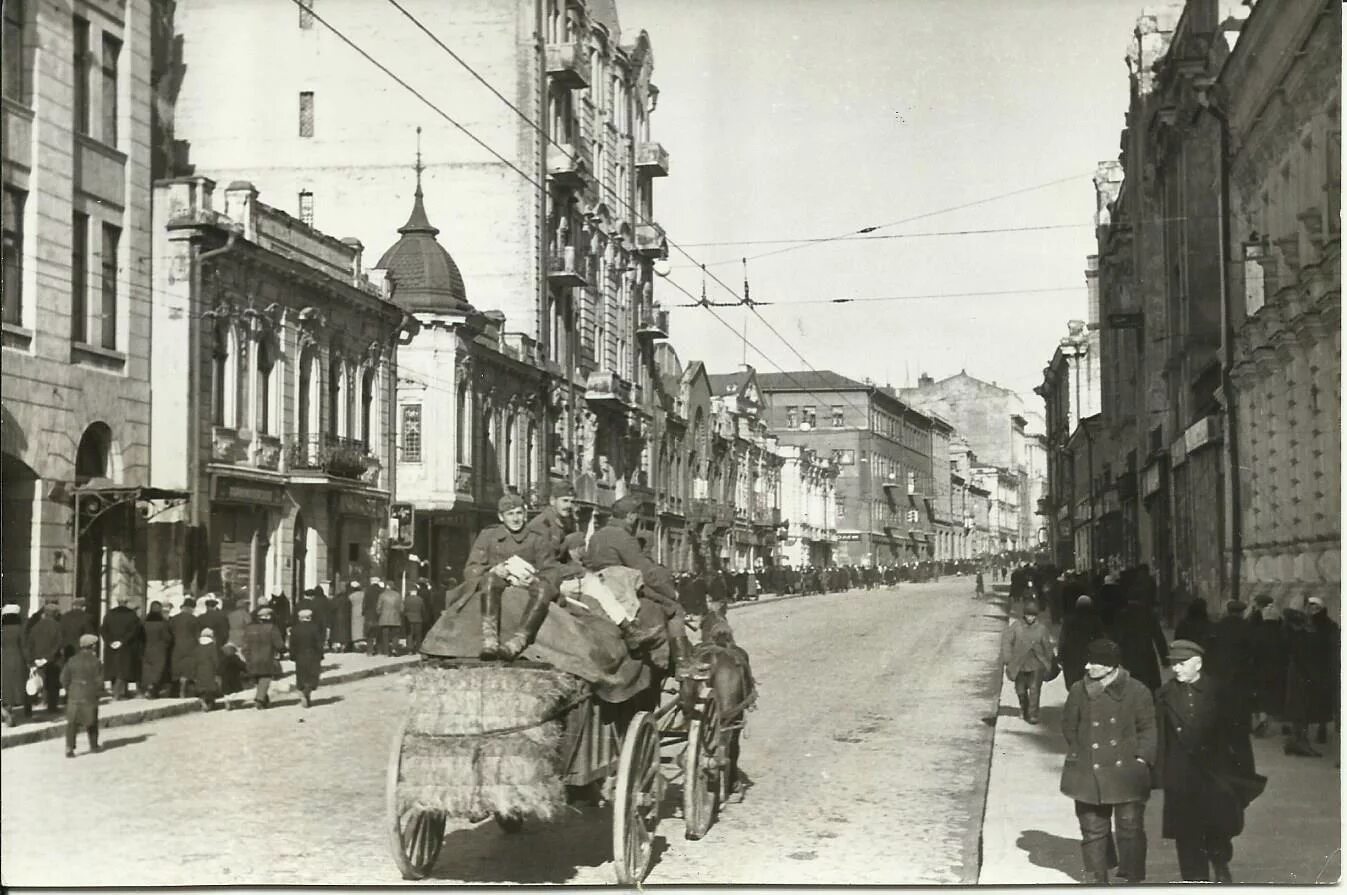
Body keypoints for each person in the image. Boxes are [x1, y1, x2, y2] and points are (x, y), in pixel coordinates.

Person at [1154, 640, 1264, 883]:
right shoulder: (1164, 696)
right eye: (1173, 664)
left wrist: (1244, 775)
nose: (1176, 669)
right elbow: (1161, 738)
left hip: (1216, 774)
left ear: (1198, 664)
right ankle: (1195, 883)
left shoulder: (1222, 693)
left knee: (1219, 827)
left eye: (1181, 664)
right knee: (1186, 835)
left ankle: (1220, 862)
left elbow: (1238, 738)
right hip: (1181, 776)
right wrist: (1159, 775)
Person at [1060, 638, 1156, 885]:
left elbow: (1148, 729)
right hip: (1088, 770)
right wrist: (1081, 752)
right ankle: (1098, 880)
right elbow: (1069, 726)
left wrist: (1142, 758)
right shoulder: (1078, 690)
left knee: (1130, 828)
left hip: (1127, 772)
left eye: (1095, 663)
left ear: (1111, 666)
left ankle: (1133, 879)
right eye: (1088, 660)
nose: (1088, 667)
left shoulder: (1137, 691)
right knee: (1092, 827)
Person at [586, 495, 692, 674]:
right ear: (630, 516)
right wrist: (671, 593)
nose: (636, 521)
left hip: (597, 587)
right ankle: (683, 664)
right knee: (674, 609)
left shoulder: (596, 536)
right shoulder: (623, 537)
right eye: (636, 517)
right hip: (621, 586)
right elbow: (646, 573)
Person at [463, 494, 562, 660]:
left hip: (527, 584)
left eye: (518, 513)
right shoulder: (488, 536)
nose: (515, 519)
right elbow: (471, 568)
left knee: (543, 589)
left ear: (524, 514)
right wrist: (493, 569)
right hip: (497, 583)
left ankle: (519, 640)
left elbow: (551, 570)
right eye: (510, 514)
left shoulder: (536, 538)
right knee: (488, 580)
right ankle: (490, 639)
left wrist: (535, 579)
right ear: (501, 517)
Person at [1000, 601, 1055, 724]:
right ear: (1024, 615)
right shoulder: (1016, 626)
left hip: (1036, 663)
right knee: (1020, 690)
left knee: (1034, 689)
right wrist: (1008, 658)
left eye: (1033, 615)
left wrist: (1049, 660)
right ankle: (1024, 709)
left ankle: (1033, 714)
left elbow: (1047, 646)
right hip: (1019, 663)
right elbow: (1006, 642)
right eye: (1028, 615)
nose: (1030, 618)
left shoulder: (1041, 629)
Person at [1110, 597, 1168, 692]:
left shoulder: (1122, 614)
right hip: (1146, 654)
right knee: (1149, 685)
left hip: (1127, 654)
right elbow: (1158, 637)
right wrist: (1164, 659)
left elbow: (1116, 637)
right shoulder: (1148, 614)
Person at [60, 633, 103, 757]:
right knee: (92, 720)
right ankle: (94, 745)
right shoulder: (96, 661)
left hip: (74, 694)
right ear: (92, 646)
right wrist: (97, 692)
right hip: (89, 693)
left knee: (72, 723)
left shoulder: (72, 660)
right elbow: (99, 681)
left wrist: (69, 689)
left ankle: (69, 748)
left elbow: (63, 678)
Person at [1305, 595, 1339, 744]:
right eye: (1311, 607)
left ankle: (1322, 728)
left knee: (1322, 699)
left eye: (1315, 607)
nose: (1313, 610)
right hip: (1313, 666)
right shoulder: (1309, 623)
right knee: (1311, 699)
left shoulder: (1328, 625)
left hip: (1323, 666)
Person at [1058, 595, 1106, 690]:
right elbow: (1100, 638)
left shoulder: (1069, 619)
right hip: (1089, 654)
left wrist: (1060, 656)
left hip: (1071, 654)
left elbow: (1063, 638)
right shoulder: (1095, 620)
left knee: (1072, 680)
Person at [100, 596, 143, 699]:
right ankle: (119, 693)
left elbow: (103, 629)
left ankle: (119, 692)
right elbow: (134, 631)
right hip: (127, 646)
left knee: (113, 668)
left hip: (111, 647)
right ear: (126, 602)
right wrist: (122, 641)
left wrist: (110, 641)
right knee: (124, 669)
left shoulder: (109, 614)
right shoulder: (132, 615)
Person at [26, 601, 65, 712]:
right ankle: (52, 706)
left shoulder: (36, 626)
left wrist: (33, 659)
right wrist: (48, 658)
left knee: (40, 681)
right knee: (53, 683)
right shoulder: (57, 626)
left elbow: (30, 644)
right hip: (53, 660)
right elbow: (59, 644)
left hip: (38, 659)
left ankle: (40, 701)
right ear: (55, 614)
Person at [525, 480, 578, 561]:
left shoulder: (564, 521)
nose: (569, 505)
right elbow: (545, 562)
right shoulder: (541, 524)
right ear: (552, 501)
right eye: (565, 501)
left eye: (572, 502)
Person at [243, 606, 284, 709]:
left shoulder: (249, 628)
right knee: (265, 677)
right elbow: (279, 644)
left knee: (257, 678)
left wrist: (246, 656)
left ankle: (263, 697)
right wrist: (282, 650)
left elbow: (244, 644)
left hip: (251, 658)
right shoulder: (272, 628)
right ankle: (260, 699)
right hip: (266, 657)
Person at [289, 607, 325, 707]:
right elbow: (319, 643)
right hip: (313, 655)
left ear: (300, 618)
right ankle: (307, 692)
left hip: (300, 656)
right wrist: (321, 654)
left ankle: (304, 692)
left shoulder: (295, 629)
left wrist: (292, 655)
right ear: (310, 617)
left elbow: (292, 644)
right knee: (313, 676)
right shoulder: (315, 627)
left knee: (302, 675)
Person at [1, 603, 29, 726]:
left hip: (2, 658)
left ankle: (5, 712)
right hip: (16, 660)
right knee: (11, 688)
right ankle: (8, 711)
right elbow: (24, 647)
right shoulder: (20, 629)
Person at [139, 603, 172, 699]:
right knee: (157, 670)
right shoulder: (163, 623)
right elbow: (167, 638)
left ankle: (147, 687)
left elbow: (140, 637)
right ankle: (152, 689)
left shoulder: (144, 622)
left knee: (147, 670)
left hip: (147, 649)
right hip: (159, 650)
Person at [169, 597, 201, 697]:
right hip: (191, 647)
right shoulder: (194, 619)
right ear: (192, 608)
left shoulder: (174, 619)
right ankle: (185, 691)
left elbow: (169, 634)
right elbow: (198, 635)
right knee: (188, 669)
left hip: (177, 647)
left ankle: (178, 691)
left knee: (178, 669)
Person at [190, 628, 223, 711]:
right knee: (210, 687)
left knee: (201, 688)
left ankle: (203, 702)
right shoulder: (212, 646)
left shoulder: (197, 647)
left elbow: (194, 660)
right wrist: (218, 668)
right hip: (210, 669)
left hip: (199, 669)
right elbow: (215, 659)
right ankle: (210, 703)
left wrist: (194, 671)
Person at [376, 579, 403, 656]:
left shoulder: (382, 595)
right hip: (395, 617)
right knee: (395, 635)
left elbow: (378, 608)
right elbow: (401, 608)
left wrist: (379, 614)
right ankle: (394, 649)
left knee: (385, 635)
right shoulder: (397, 595)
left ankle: (386, 651)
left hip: (384, 618)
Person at [402, 583, 425, 653]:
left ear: (410, 592)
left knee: (409, 634)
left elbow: (403, 609)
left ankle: (410, 650)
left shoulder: (406, 600)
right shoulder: (420, 599)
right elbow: (423, 610)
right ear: (416, 592)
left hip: (409, 619)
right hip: (418, 619)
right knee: (418, 635)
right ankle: (418, 649)